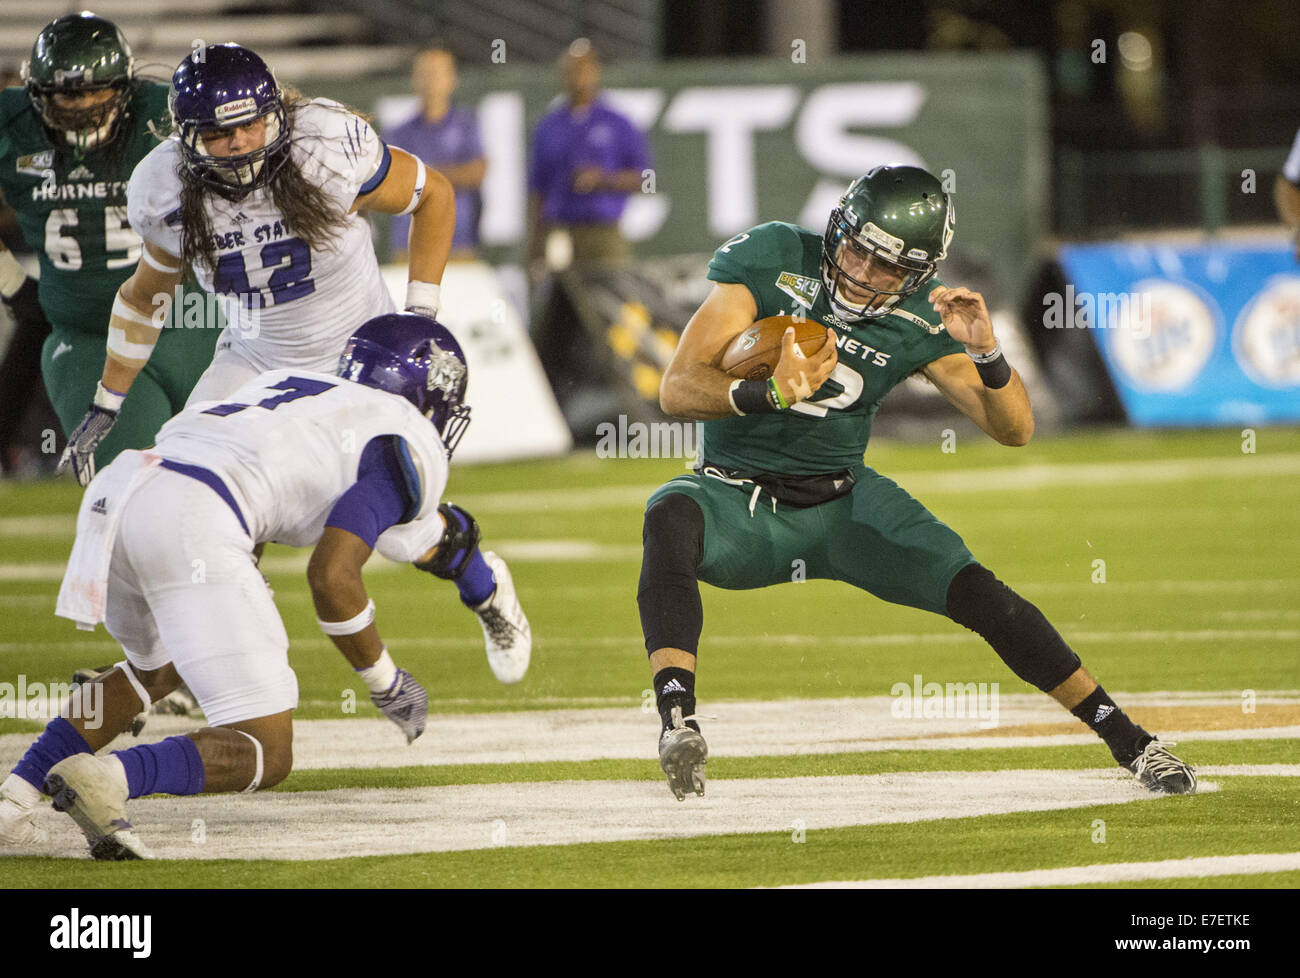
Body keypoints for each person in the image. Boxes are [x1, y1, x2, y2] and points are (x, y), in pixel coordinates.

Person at [640, 165, 1197, 801]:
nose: (865, 276)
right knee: (669, 516)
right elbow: (677, 389)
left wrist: (986, 351)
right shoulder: (771, 258)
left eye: (890, 269)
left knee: (983, 595)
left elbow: (1015, 429)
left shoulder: (924, 316)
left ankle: (1130, 740)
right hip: (737, 498)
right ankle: (678, 722)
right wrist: (766, 391)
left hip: (845, 505)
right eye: (859, 251)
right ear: (838, 228)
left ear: (920, 272)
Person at [0, 313, 531, 858]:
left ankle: (12, 803)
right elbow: (332, 577)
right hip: (194, 514)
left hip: (122, 491)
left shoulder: (288, 384)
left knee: (153, 669)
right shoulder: (406, 434)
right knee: (266, 750)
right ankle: (111, 778)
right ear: (431, 396)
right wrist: (386, 681)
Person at [58, 41, 457, 487]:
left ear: (275, 114)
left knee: (378, 510)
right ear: (184, 136)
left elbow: (434, 196)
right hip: (256, 361)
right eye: (217, 133)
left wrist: (420, 315)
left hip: (358, 355)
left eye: (251, 123)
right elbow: (147, 297)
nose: (240, 143)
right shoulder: (163, 187)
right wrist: (106, 401)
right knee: (193, 489)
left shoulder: (322, 146)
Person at [0, 13, 218, 476]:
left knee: (235, 483)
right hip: (89, 336)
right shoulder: (11, 122)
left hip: (196, 324)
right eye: (66, 94)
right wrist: (11, 281)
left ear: (125, 86)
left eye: (96, 90)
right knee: (134, 487)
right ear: (37, 92)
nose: (81, 106)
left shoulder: (169, 111)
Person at [526, 37, 650, 272]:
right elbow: (537, 190)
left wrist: (604, 179)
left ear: (596, 71)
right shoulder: (549, 126)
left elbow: (646, 180)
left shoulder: (617, 123)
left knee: (612, 298)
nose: (578, 76)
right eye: (571, 69)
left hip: (603, 231)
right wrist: (534, 245)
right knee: (559, 297)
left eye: (584, 68)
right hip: (560, 229)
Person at [386, 46, 485, 262]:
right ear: (414, 79)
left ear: (452, 79)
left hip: (458, 243)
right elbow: (393, 184)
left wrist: (422, 175)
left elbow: (477, 173)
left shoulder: (467, 125)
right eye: (425, 73)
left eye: (437, 73)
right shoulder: (398, 133)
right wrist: (445, 176)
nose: (431, 80)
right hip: (410, 246)